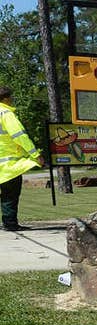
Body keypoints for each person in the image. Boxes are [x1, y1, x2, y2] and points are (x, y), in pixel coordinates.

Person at [0, 86, 44, 232]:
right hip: (9, 166)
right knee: (10, 195)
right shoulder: (6, 114)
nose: (12, 100)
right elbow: (20, 137)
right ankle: (10, 223)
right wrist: (36, 155)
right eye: (11, 97)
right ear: (6, 98)